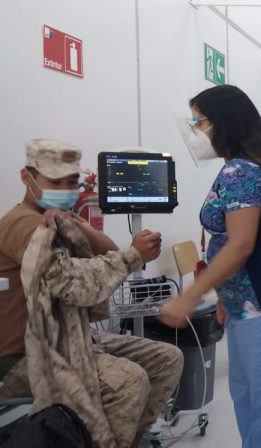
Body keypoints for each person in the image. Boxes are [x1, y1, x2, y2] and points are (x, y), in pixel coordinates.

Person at [158, 85, 261, 448]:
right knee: (249, 398)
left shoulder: (240, 172)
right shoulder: (258, 163)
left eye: (200, 121)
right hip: (257, 298)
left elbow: (241, 245)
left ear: (224, 122)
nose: (196, 131)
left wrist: (189, 297)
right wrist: (228, 295)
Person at [0, 139, 182, 448]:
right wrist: (132, 256)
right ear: (27, 177)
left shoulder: (58, 220)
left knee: (167, 359)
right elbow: (73, 286)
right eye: (55, 181)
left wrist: (78, 223)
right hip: (27, 355)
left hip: (75, 337)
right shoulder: (24, 225)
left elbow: (106, 250)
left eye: (72, 182)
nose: (65, 189)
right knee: (128, 382)